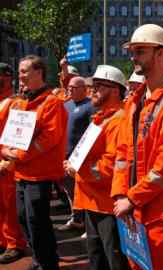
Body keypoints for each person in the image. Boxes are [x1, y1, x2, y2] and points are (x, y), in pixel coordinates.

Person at [111, 24, 163, 270]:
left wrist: (131, 198)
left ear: (160, 54)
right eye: (133, 51)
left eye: (140, 51)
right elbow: (122, 154)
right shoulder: (135, 103)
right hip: (132, 211)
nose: (133, 57)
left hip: (161, 215)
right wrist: (119, 194)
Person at [1, 55, 67, 270]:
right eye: (20, 71)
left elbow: (48, 139)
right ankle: (39, 258)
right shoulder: (22, 102)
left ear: (38, 72)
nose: (20, 76)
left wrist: (17, 155)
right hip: (21, 173)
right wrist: (6, 150)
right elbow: (10, 133)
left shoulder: (52, 103)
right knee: (24, 220)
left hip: (40, 175)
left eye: (24, 71)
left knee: (37, 223)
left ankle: (48, 263)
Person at [64, 65, 130, 270]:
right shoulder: (101, 118)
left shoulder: (118, 120)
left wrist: (79, 169)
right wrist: (74, 163)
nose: (92, 90)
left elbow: (110, 167)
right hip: (93, 202)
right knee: (97, 258)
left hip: (107, 206)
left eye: (99, 86)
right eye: (93, 86)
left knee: (113, 261)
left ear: (115, 90)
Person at [57, 76, 96, 232]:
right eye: (69, 87)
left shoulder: (91, 106)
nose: (70, 89)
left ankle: (88, 226)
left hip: (79, 158)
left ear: (83, 89)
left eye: (74, 87)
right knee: (69, 191)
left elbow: (92, 133)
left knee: (83, 192)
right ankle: (77, 218)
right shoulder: (66, 105)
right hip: (64, 157)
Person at [0, 63, 26, 264]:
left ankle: (14, 244)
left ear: (8, 78)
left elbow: (18, 135)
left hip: (6, 164)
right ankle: (2, 240)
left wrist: (8, 161)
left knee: (9, 206)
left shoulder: (15, 102)